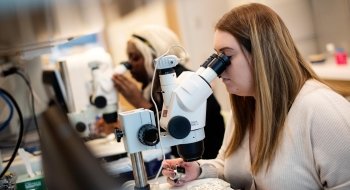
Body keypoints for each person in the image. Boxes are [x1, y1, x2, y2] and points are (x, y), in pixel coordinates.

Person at [161, 3, 350, 190]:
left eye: (226, 57)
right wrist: (199, 170)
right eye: (216, 58)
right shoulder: (246, 105)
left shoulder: (322, 110)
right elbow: (229, 166)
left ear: (261, 54)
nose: (217, 71)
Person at [111, 25, 225, 159]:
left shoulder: (188, 84)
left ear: (155, 56)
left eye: (135, 58)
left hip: (207, 157)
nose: (130, 66)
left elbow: (172, 128)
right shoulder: (153, 85)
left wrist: (139, 102)